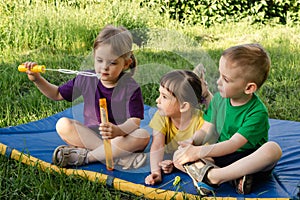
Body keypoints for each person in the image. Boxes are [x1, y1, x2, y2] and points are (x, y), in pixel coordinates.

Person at [22, 24, 150, 169]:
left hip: (120, 138)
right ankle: (120, 157)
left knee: (142, 135)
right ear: (94, 57)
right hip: (90, 137)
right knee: (63, 124)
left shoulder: (130, 87)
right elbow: (57, 94)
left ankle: (86, 157)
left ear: (126, 63)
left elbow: (135, 122)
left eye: (112, 63)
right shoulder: (86, 78)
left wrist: (118, 130)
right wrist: (37, 79)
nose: (104, 67)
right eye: (99, 60)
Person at [173, 43, 282, 195]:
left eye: (225, 79)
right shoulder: (219, 100)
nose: (218, 82)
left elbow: (233, 144)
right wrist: (193, 142)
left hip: (250, 158)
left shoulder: (257, 112)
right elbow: (206, 129)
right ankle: (233, 177)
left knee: (273, 149)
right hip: (221, 156)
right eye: (219, 75)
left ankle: (214, 176)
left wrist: (198, 152)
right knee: (178, 155)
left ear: (249, 88)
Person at [145, 66, 213, 185]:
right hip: (175, 158)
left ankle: (214, 176)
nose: (157, 100)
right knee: (177, 159)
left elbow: (208, 157)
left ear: (184, 106)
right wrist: (156, 172)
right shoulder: (161, 116)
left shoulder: (201, 122)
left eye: (164, 97)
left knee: (182, 159)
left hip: (194, 157)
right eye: (159, 94)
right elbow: (157, 146)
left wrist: (177, 163)